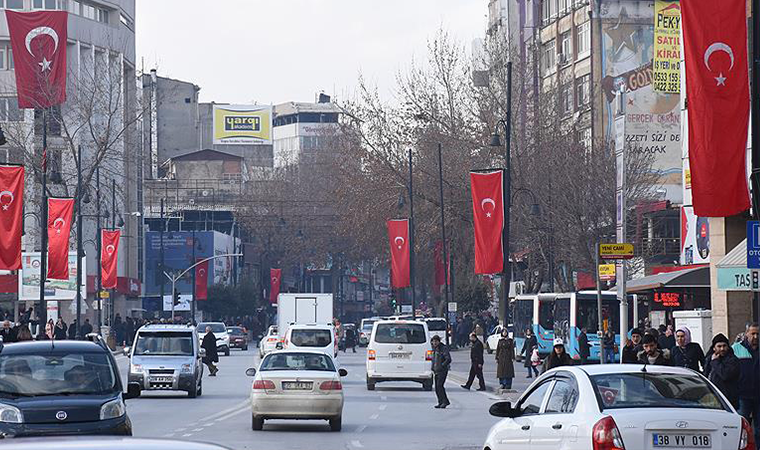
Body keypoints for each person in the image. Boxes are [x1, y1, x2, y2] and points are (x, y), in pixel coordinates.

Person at [732, 323, 759, 444]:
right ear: (746, 334)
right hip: (743, 394)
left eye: (758, 334)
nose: (755, 337)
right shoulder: (736, 348)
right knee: (742, 426)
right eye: (753, 333)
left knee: (758, 429)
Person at [704, 333, 741, 409]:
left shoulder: (733, 360)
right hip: (712, 397)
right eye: (719, 346)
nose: (722, 349)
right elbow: (706, 375)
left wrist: (715, 362)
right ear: (714, 348)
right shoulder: (709, 359)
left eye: (724, 346)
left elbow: (725, 375)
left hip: (728, 400)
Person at [430, 335, 451, 409]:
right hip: (436, 370)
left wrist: (442, 365)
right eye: (433, 341)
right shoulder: (434, 349)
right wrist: (433, 368)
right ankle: (441, 402)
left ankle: (444, 401)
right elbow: (434, 359)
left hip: (442, 370)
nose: (434, 343)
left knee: (440, 386)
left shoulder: (443, 348)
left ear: (439, 341)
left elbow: (448, 359)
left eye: (436, 341)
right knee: (437, 387)